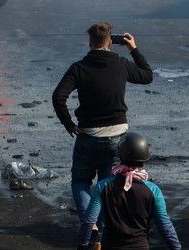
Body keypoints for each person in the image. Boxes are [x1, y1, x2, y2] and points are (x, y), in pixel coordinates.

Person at [52, 22, 153, 243]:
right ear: (110, 42)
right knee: (108, 185)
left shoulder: (78, 68)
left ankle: (92, 225)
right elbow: (147, 75)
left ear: (90, 43)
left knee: (80, 181)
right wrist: (133, 49)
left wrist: (69, 123)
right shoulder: (121, 64)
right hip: (117, 138)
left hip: (88, 136)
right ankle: (103, 233)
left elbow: (58, 96)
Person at [76, 133, 181, 250]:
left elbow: (89, 221)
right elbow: (165, 226)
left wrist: (83, 245)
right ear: (144, 159)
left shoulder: (103, 186)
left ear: (120, 156)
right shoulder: (153, 190)